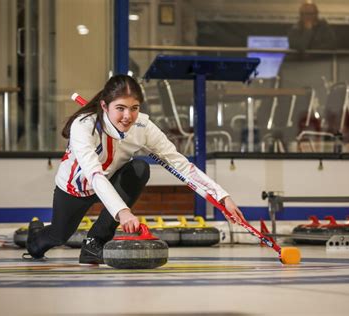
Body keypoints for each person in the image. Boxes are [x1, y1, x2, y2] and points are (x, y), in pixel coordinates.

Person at [24, 74, 246, 264]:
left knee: (139, 169)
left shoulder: (142, 126)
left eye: (134, 108)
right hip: (77, 188)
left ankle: (95, 242)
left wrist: (222, 197)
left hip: (111, 180)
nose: (128, 116)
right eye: (120, 108)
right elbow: (94, 174)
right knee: (59, 235)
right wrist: (123, 212)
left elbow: (179, 163)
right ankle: (35, 236)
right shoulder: (83, 126)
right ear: (104, 106)